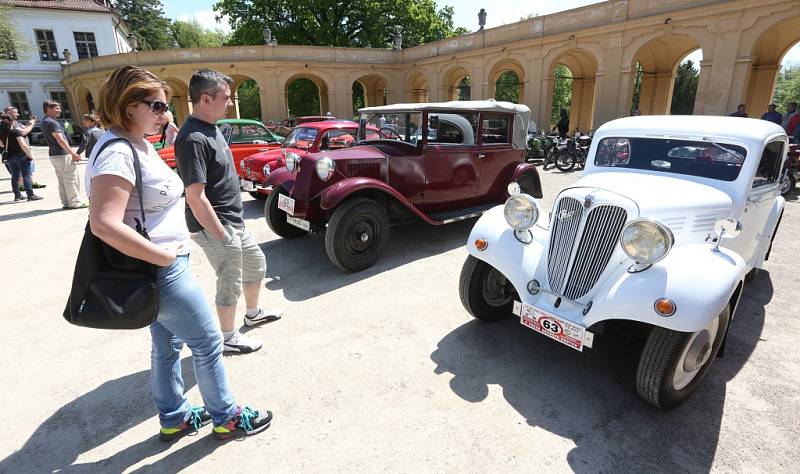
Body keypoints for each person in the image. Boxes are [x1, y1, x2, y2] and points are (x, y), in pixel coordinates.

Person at [86, 65, 272, 441]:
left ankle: (174, 416)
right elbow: (103, 223)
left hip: (160, 265)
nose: (165, 113)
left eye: (166, 105)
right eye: (156, 105)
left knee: (167, 345)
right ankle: (227, 416)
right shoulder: (117, 152)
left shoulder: (135, 142)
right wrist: (164, 258)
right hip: (161, 268)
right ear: (128, 104)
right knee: (208, 342)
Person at [175, 68, 282, 354]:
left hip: (233, 221)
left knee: (256, 264)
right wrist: (221, 235)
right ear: (206, 98)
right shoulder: (192, 138)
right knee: (229, 279)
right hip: (217, 225)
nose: (231, 102)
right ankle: (228, 337)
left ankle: (254, 312)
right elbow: (195, 197)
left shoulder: (211, 128)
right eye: (226, 97)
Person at [42, 100, 86, 209]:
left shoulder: (44, 121)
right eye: (57, 108)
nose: (60, 110)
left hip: (54, 155)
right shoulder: (52, 122)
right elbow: (60, 139)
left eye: (59, 108)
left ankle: (66, 203)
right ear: (48, 109)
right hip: (62, 155)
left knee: (62, 180)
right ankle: (74, 202)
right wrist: (72, 153)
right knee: (71, 179)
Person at [1, 114, 43, 202]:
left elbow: (1, 144)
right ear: (12, 122)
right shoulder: (15, 131)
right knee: (26, 175)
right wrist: (30, 155)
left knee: (15, 176)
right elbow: (23, 144)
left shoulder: (2, 133)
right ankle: (30, 195)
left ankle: (17, 195)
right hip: (21, 156)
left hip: (10, 157)